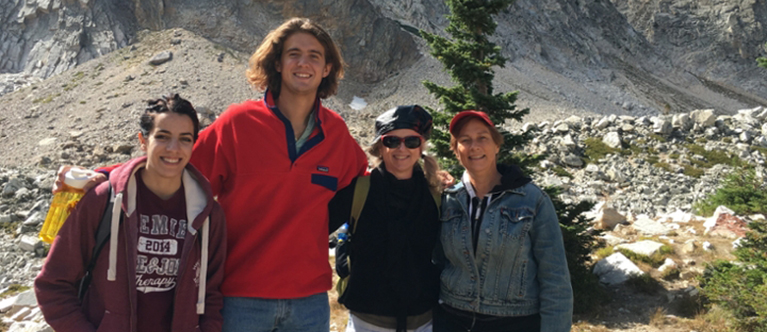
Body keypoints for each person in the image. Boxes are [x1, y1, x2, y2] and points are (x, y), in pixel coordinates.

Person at [53, 17, 369, 331]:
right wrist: (103, 175)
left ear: (327, 68)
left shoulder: (337, 134)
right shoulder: (239, 123)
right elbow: (176, 165)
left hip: (309, 301)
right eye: (293, 54)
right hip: (240, 298)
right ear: (277, 63)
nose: (304, 63)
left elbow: (364, 186)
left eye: (315, 56)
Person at [35, 94, 227, 332]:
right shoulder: (102, 200)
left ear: (193, 144)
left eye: (184, 139)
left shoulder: (208, 215)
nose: (173, 149)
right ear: (143, 141)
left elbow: (211, 295)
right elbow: (53, 283)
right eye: (162, 137)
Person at [433, 111, 573, 332]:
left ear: (497, 145)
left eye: (482, 138)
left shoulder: (533, 201)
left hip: (515, 322)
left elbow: (555, 280)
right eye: (465, 140)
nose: (474, 146)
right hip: (451, 320)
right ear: (456, 150)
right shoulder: (446, 199)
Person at [328, 105, 442, 332]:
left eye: (411, 141)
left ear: (421, 147)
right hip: (367, 321)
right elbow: (311, 227)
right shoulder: (357, 190)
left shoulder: (437, 196)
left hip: (423, 321)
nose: (402, 148)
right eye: (392, 141)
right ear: (380, 146)